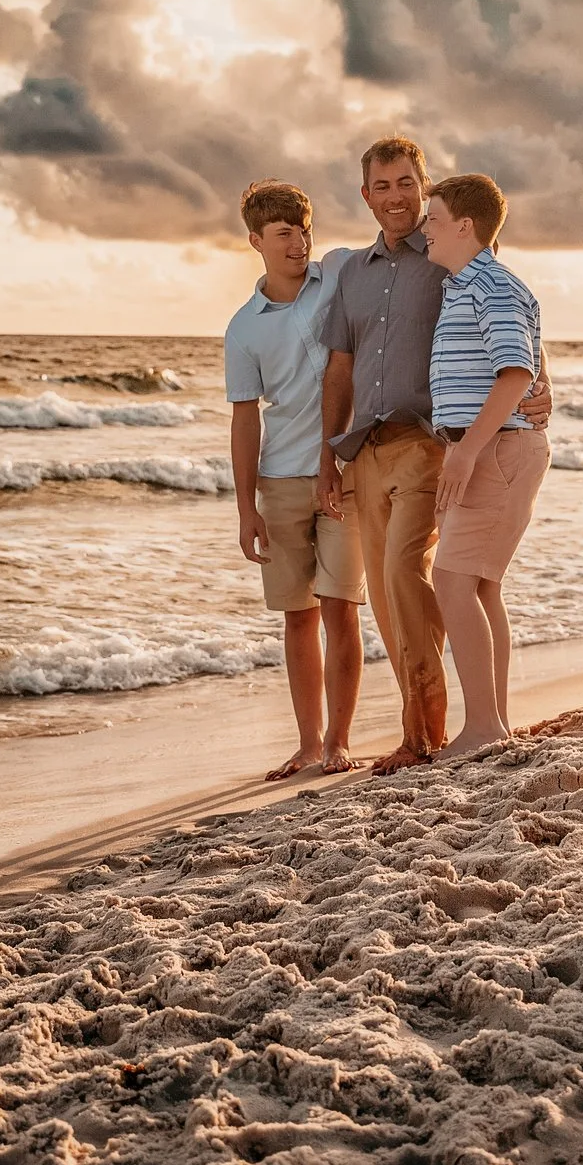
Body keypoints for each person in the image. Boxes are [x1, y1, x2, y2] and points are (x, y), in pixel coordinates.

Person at [316, 137, 551, 774]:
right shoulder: (355, 273)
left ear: (423, 189)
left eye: (407, 185)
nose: (397, 198)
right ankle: (463, 723)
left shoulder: (453, 256)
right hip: (368, 448)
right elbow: (340, 367)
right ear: (366, 195)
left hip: (436, 444)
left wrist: (539, 383)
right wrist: (327, 458)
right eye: (382, 186)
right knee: (397, 592)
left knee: (419, 578)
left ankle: (437, 730)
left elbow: (516, 330)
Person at [223, 180, 364, 779]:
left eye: (303, 230)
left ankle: (338, 742)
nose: (298, 243)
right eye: (283, 233)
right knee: (298, 616)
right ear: (256, 240)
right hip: (279, 482)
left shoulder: (337, 276)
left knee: (340, 606)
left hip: (346, 474)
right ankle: (308, 743)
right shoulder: (243, 328)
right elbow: (245, 419)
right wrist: (245, 508)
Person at [420, 174, 550, 760]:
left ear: (465, 226)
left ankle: (481, 728)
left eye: (434, 218)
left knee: (452, 583)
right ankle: (492, 722)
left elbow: (516, 372)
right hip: (493, 447)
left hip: (495, 450)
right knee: (479, 585)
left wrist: (467, 450)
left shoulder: (491, 286)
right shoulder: (466, 285)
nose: (425, 228)